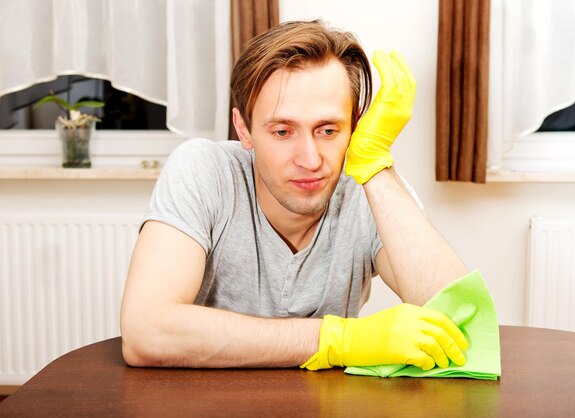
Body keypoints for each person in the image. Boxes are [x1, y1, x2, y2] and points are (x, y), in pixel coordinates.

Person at [120, 20, 469, 371]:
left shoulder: (368, 187)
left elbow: (459, 322)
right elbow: (147, 331)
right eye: (283, 131)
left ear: (355, 127)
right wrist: (339, 340)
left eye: (329, 130)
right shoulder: (205, 171)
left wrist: (375, 164)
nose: (310, 159)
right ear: (244, 129)